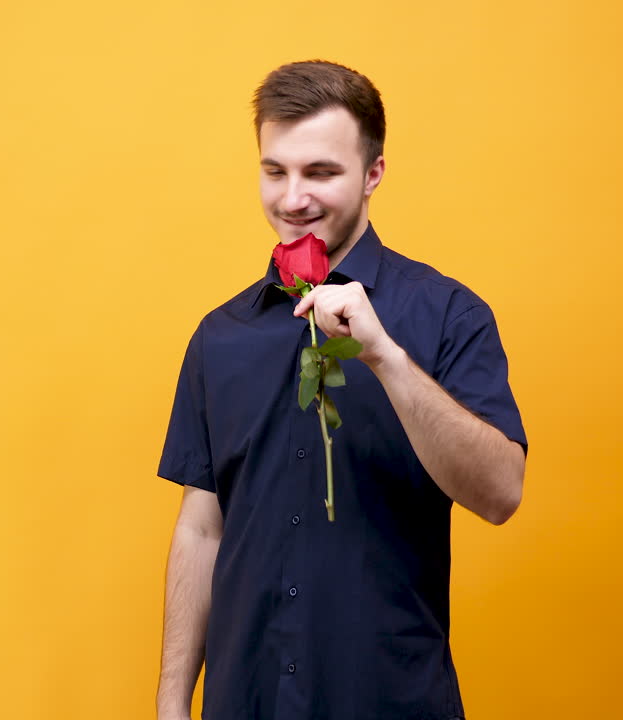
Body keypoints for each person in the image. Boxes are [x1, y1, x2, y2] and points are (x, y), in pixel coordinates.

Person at [154, 60, 528, 720]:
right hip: (247, 702)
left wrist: (383, 355)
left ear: (373, 173)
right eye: (276, 171)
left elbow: (501, 493)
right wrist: (171, 703)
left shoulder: (449, 315)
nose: (292, 198)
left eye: (320, 172)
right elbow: (202, 529)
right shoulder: (219, 336)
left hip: (388, 701)